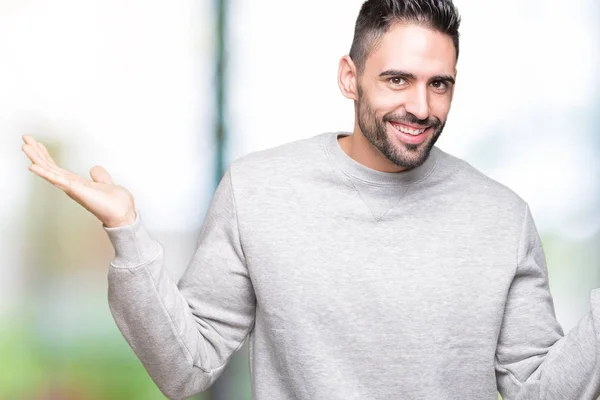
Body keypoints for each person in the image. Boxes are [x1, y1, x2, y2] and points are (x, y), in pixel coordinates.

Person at [20, 0, 600, 399]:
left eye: (439, 83)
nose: (421, 108)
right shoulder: (258, 192)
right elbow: (185, 368)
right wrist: (127, 231)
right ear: (350, 77)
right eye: (397, 80)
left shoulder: (501, 217)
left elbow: (539, 390)